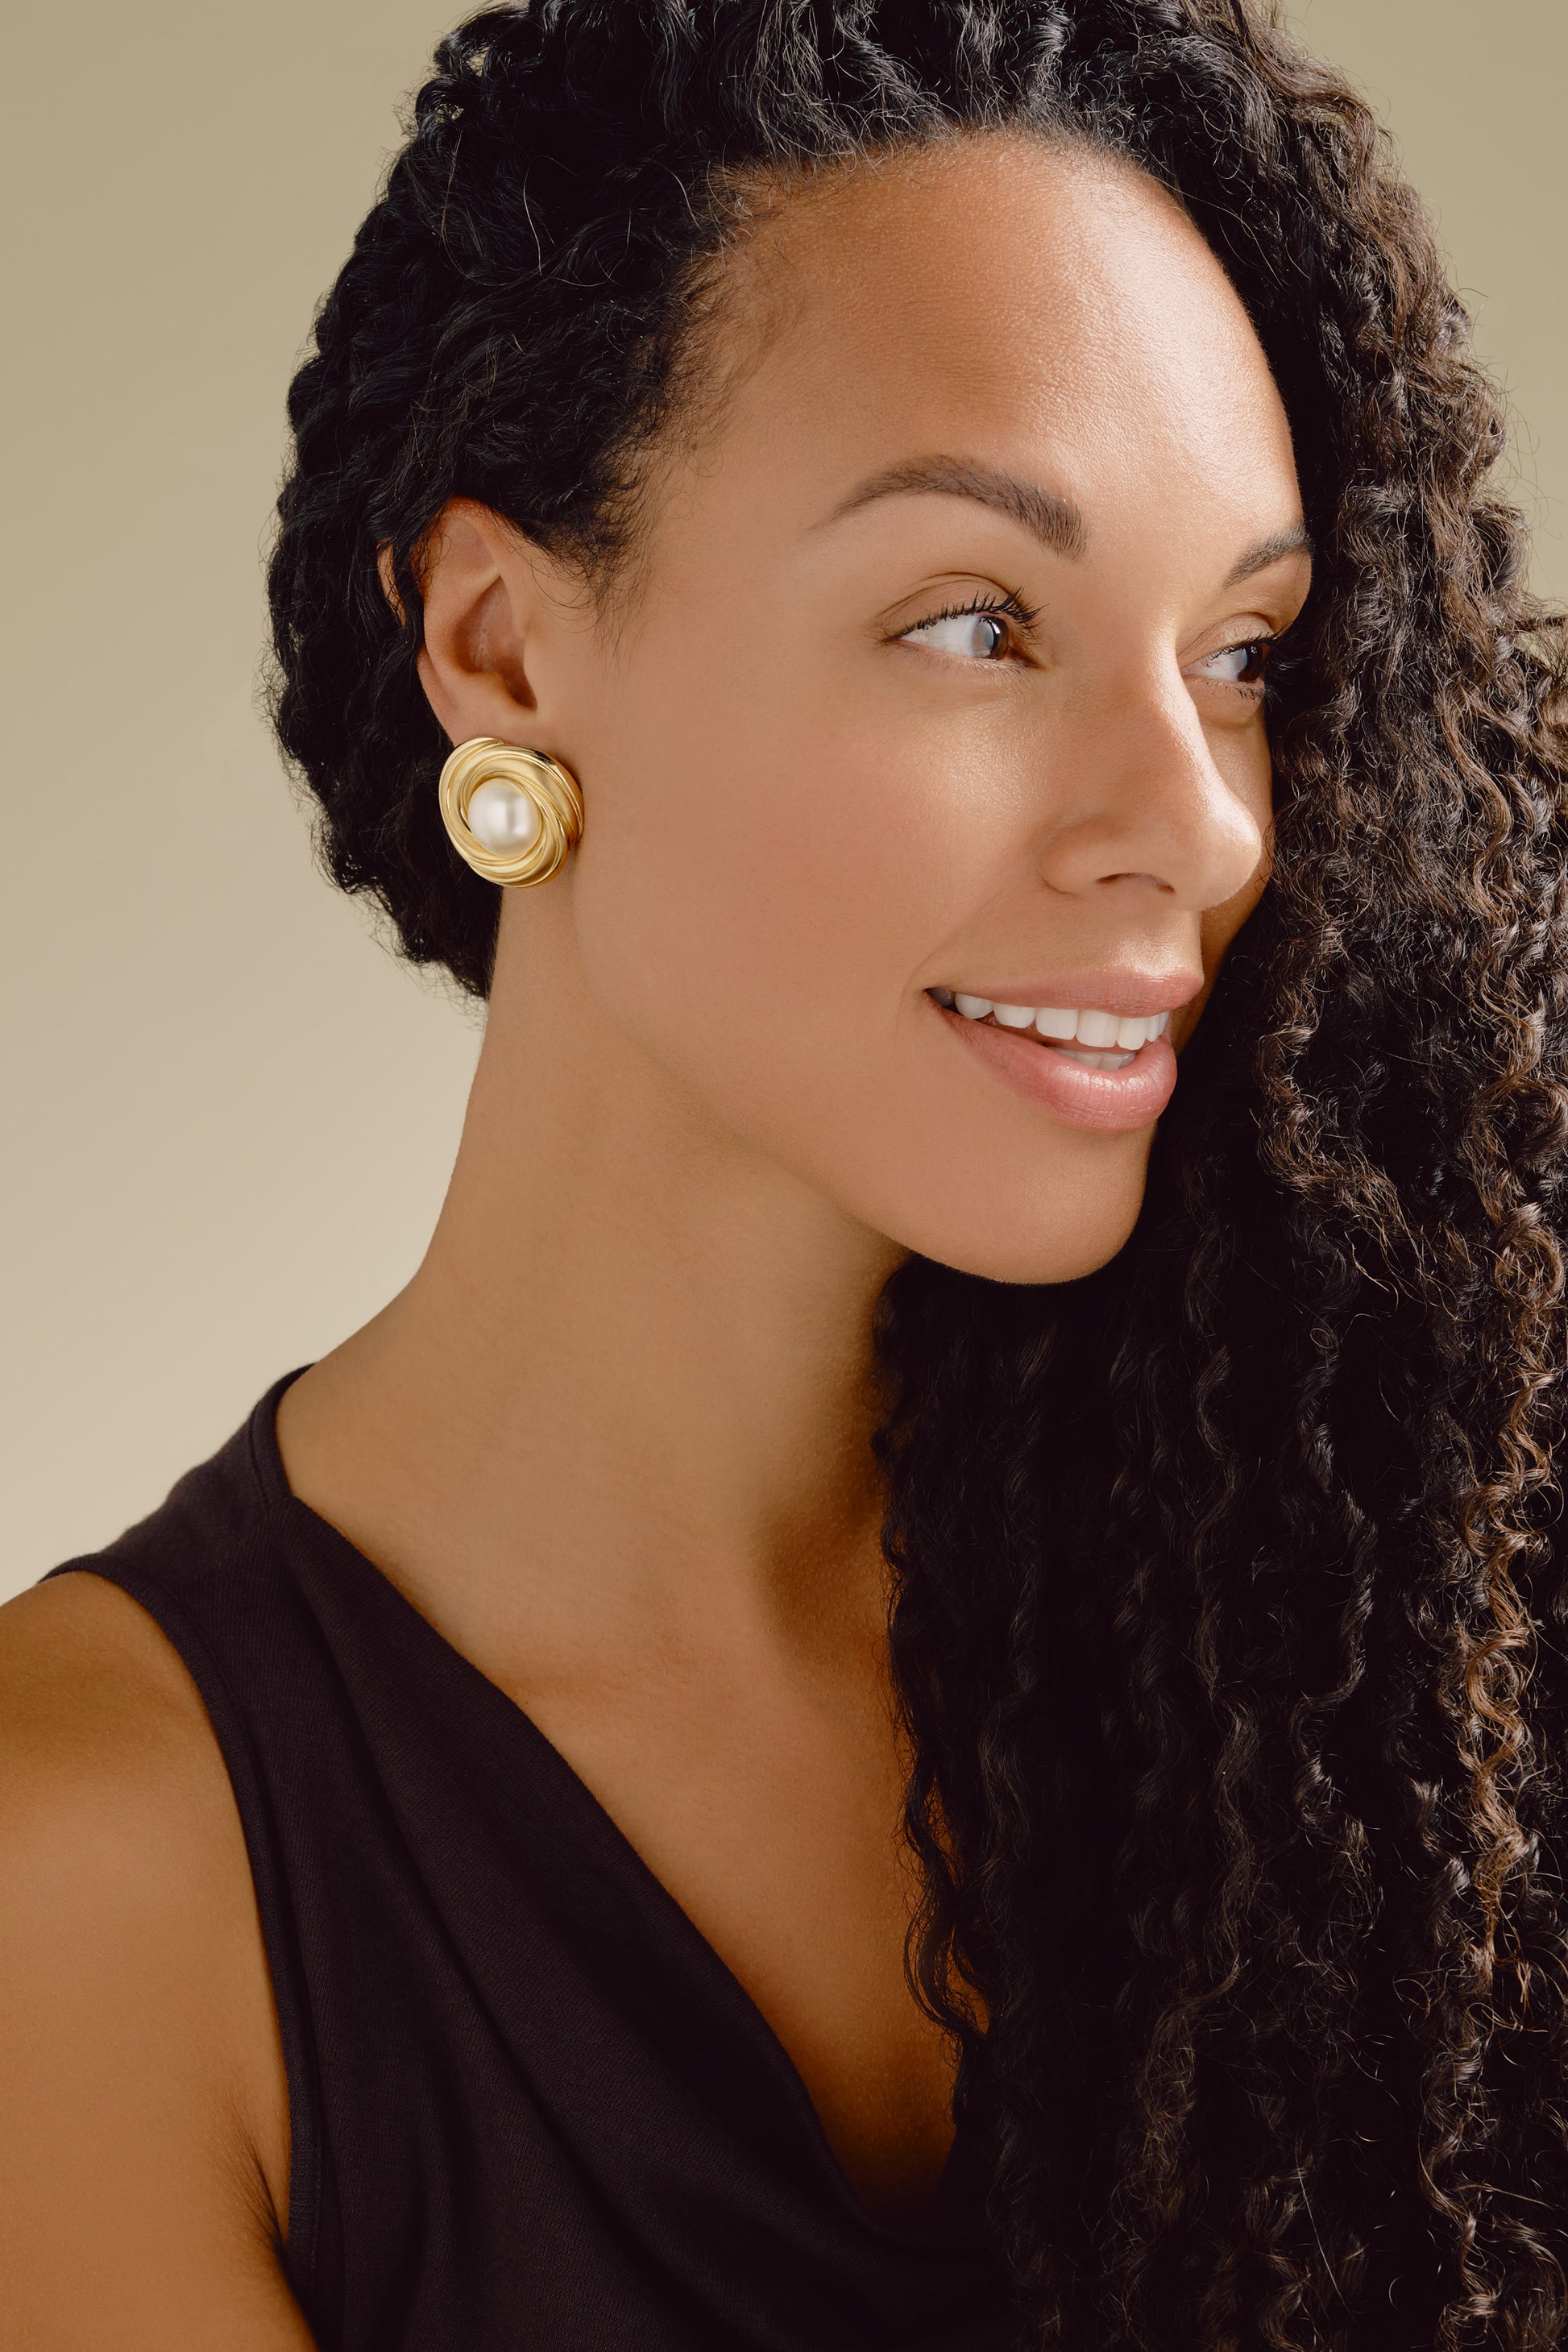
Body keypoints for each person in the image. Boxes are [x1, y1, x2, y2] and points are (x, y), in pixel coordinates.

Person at [5, 1, 1567, 2345]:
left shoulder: (1385, 1652)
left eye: (1238, 650)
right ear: (504, 650)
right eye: (977, 621)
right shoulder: (93, 1887)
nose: (1203, 820)